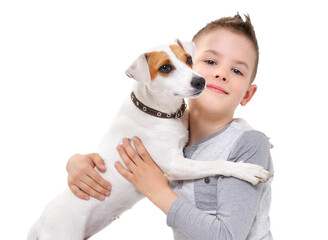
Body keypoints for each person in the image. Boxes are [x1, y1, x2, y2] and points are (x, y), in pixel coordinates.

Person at [66, 13, 274, 240]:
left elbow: (227, 236)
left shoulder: (250, 143)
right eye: (211, 61)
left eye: (236, 70)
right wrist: (77, 164)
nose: (221, 74)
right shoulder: (169, 131)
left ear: (248, 94)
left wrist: (157, 190)